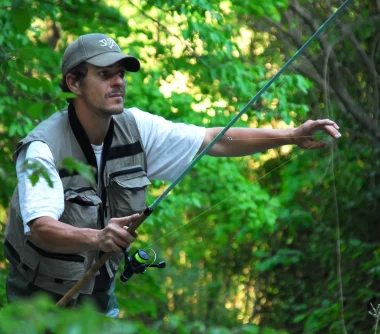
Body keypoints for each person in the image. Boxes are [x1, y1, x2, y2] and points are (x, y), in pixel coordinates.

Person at [4, 33, 341, 316]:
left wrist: (291, 136)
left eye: (121, 73)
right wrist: (97, 238)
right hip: (38, 299)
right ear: (74, 82)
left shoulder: (137, 128)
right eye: (105, 74)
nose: (118, 81)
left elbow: (214, 140)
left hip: (98, 293)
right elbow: (41, 228)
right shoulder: (42, 148)